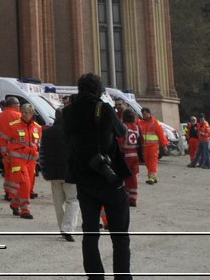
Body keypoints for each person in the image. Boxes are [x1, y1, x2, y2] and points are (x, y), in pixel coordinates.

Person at [63, 72, 132, 280]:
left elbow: (68, 139)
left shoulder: (67, 112)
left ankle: (95, 277)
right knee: (120, 236)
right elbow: (121, 131)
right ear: (98, 89)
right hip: (108, 177)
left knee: (90, 234)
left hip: (84, 178)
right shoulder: (104, 108)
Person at [39, 95, 79, 241]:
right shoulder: (73, 133)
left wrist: (43, 170)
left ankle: (63, 226)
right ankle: (67, 228)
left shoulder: (47, 133)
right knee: (73, 200)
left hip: (52, 173)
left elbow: (41, 153)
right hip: (70, 173)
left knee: (58, 202)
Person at [0, 96, 27, 212]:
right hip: (16, 150)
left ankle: (7, 192)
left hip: (3, 148)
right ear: (14, 105)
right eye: (18, 105)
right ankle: (13, 196)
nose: (19, 107)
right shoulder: (18, 116)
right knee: (16, 173)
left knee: (7, 172)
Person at [114, 102, 142, 206]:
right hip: (135, 154)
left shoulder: (124, 126)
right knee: (133, 177)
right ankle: (133, 198)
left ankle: (125, 197)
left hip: (126, 155)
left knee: (124, 177)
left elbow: (120, 141)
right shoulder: (136, 127)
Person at [139, 107, 161, 183]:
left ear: (149, 113)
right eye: (142, 114)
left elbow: (161, 134)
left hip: (153, 146)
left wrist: (165, 144)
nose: (143, 116)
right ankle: (153, 177)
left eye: (145, 114)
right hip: (145, 147)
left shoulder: (155, 122)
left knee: (152, 162)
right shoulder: (140, 123)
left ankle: (151, 177)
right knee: (147, 162)